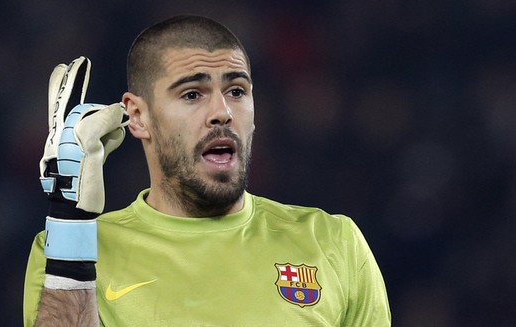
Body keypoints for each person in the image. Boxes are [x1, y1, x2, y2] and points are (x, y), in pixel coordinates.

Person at [23, 14, 391, 326]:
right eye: (192, 94)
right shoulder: (72, 249)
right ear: (138, 116)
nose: (222, 112)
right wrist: (70, 221)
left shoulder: (333, 242)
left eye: (236, 91)